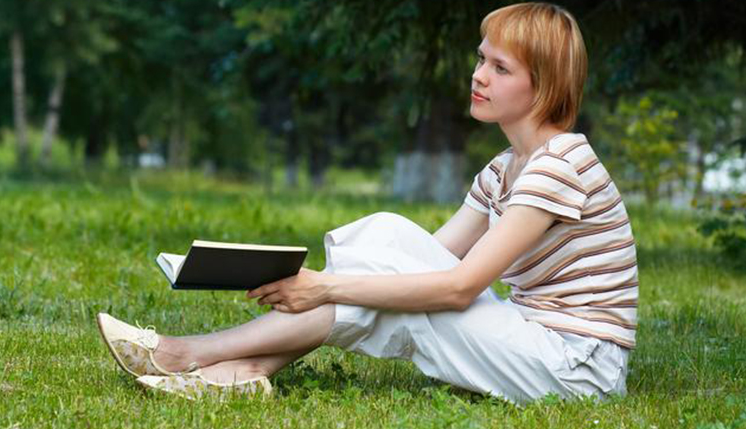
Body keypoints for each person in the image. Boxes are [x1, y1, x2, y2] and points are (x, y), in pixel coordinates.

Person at [96, 2, 638, 404]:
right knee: (386, 234)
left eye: (501, 68)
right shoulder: (505, 168)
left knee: (403, 293)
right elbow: (425, 254)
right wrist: (310, 279)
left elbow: (457, 287)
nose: (477, 75)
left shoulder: (559, 164)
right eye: (481, 59)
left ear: (543, 87)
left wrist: (324, 287)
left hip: (577, 367)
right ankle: (240, 370)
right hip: (532, 336)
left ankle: (187, 354)